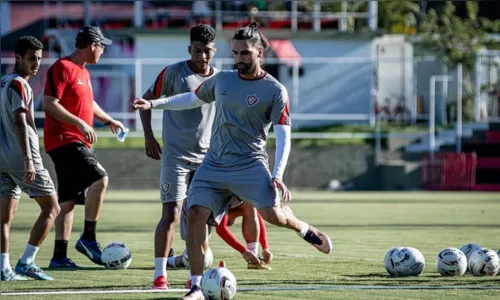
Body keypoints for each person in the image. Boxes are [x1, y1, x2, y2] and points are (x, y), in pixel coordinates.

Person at [132, 21, 333, 300]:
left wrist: (277, 175)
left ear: (260, 52)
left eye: (245, 54)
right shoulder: (223, 79)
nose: (239, 59)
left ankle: (303, 228)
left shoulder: (276, 91)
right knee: (194, 214)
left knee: (273, 216)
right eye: (236, 53)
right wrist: (153, 103)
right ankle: (196, 287)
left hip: (249, 164)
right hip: (213, 164)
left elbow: (284, 136)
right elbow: (192, 98)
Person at [138, 24, 222, 290]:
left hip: (207, 160)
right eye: (197, 51)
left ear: (214, 50)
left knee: (202, 217)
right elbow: (146, 101)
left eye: (207, 51)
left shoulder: (220, 79)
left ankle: (193, 274)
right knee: (171, 214)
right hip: (175, 157)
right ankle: (159, 275)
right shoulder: (173, 72)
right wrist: (149, 137)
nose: (202, 57)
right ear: (189, 49)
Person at [42, 26, 125, 269]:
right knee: (100, 178)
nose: (102, 51)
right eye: (102, 47)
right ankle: (88, 238)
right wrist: (79, 122)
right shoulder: (62, 67)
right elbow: (49, 103)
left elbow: (89, 102)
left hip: (73, 141)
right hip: (65, 140)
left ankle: (59, 256)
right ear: (92, 46)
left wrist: (108, 120)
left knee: (67, 201)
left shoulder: (84, 72)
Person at [0, 36, 60, 281]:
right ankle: (27, 262)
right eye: (31, 58)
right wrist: (28, 159)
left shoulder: (3, 82)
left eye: (39, 58)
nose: (36, 63)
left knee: (5, 218)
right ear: (18, 58)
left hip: (2, 159)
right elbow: (20, 121)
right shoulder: (19, 85)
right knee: (52, 207)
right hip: (21, 157)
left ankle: (4, 270)